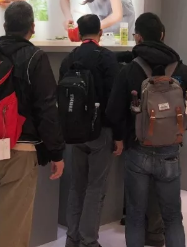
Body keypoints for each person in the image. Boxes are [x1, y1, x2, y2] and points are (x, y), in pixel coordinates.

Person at [0, 1, 65, 247]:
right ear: (32, 28)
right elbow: (47, 107)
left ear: (5, 26)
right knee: (12, 228)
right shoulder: (35, 57)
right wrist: (56, 153)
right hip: (20, 149)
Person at [106, 13, 187, 247]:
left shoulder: (129, 70)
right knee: (172, 216)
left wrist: (120, 137)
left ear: (138, 37)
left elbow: (113, 111)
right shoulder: (181, 69)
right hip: (171, 151)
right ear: (162, 35)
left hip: (137, 149)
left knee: (135, 215)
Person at [60, 14, 121, 247]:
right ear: (100, 33)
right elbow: (114, 100)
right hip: (100, 131)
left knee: (77, 186)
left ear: (78, 32)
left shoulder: (69, 59)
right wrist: (118, 135)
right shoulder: (106, 58)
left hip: (74, 133)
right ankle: (89, 240)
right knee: (95, 187)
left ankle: (72, 238)